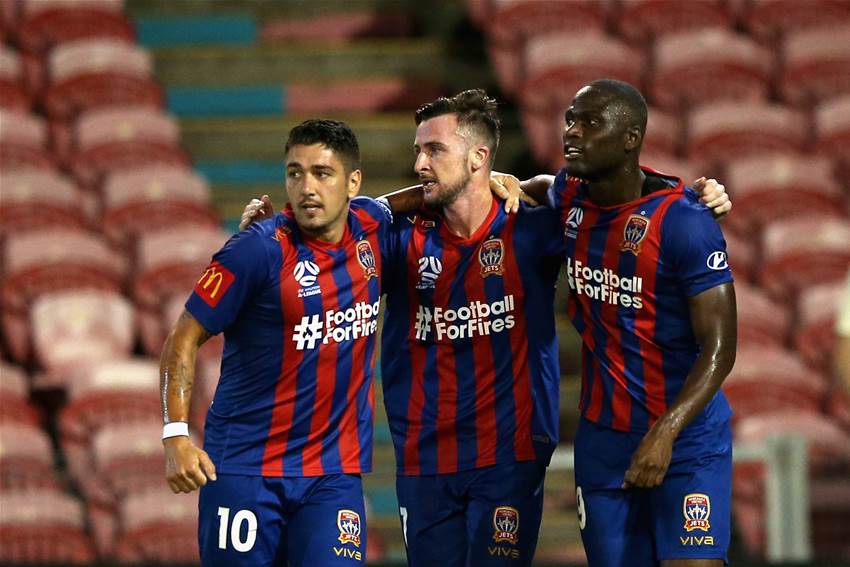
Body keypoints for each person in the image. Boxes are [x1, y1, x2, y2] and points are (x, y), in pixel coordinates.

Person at [240, 90, 732, 567]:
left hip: (510, 455)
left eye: (434, 150)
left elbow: (618, 206)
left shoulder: (535, 228)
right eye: (418, 151)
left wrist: (692, 195)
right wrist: (271, 236)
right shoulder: (399, 240)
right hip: (426, 457)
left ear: (477, 158)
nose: (419, 163)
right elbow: (329, 246)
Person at [519, 79, 737, 566]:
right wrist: (502, 183)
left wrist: (665, 432)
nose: (572, 132)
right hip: (604, 440)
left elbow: (721, 348)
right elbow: (537, 189)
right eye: (570, 120)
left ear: (630, 137)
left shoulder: (686, 223)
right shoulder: (571, 196)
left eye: (590, 123)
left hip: (685, 439)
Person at [160, 119, 394, 566]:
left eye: (322, 174)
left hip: (332, 474)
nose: (306, 187)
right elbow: (183, 337)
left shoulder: (371, 226)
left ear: (353, 182)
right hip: (246, 469)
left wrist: (494, 180)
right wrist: (175, 436)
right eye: (295, 172)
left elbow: (409, 200)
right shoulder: (256, 251)